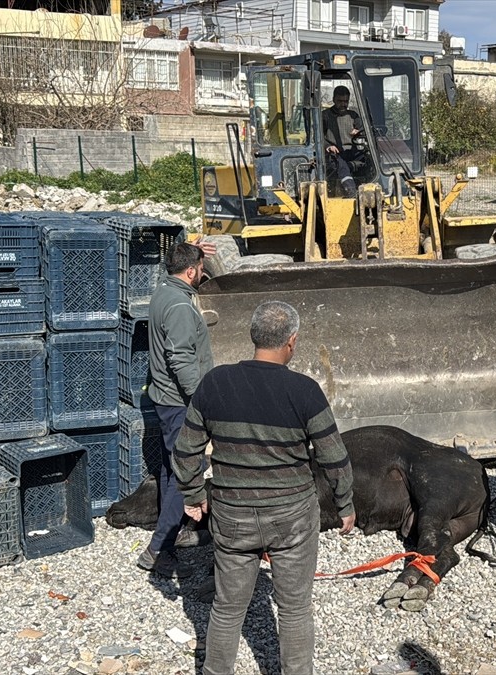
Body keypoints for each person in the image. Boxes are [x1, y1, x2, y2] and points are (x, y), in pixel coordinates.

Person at [173, 301, 356, 675]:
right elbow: (333, 456)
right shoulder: (305, 390)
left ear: (253, 336)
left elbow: (186, 448)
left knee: (226, 608)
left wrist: (193, 494)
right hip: (292, 517)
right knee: (294, 608)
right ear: (292, 341)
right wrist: (345, 503)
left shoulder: (214, 383)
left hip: (231, 514)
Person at [140, 242, 215, 578]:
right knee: (184, 476)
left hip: (163, 398)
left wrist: (192, 247)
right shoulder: (182, 307)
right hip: (179, 403)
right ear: (191, 271)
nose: (203, 273)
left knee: (173, 470)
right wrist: (202, 399)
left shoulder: (162, 292)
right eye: (200, 268)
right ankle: (158, 549)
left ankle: (169, 536)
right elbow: (181, 358)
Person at [323, 85, 367, 198]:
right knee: (341, 164)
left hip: (352, 150)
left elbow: (363, 127)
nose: (343, 104)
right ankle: (351, 191)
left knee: (368, 158)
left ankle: (370, 188)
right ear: (333, 99)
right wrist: (328, 146)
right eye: (340, 101)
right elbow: (318, 137)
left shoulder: (353, 115)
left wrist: (359, 130)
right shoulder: (325, 116)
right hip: (334, 152)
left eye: (345, 101)